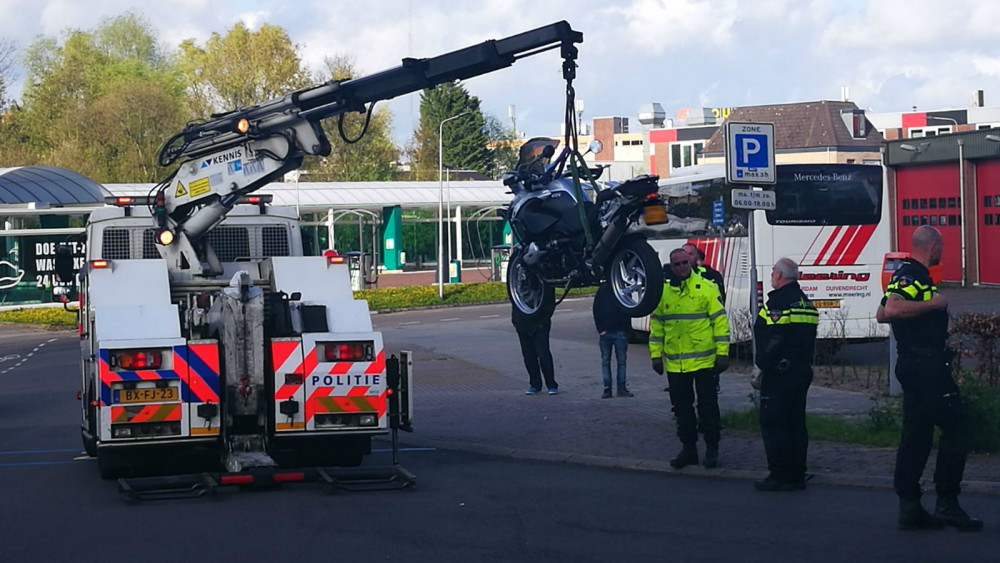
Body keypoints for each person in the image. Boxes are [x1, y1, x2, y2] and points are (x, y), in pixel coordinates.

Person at [876, 225, 982, 532]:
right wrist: (933, 304)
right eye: (943, 247)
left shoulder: (903, 274)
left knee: (917, 434)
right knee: (957, 427)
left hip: (913, 365)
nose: (943, 251)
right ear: (933, 248)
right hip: (927, 368)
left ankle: (910, 506)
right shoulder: (914, 275)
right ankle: (947, 503)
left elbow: (881, 314)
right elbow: (893, 309)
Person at [650, 248, 729, 469]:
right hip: (676, 364)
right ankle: (689, 449)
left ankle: (712, 449)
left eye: (685, 262)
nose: (682, 267)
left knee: (708, 408)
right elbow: (657, 326)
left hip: (704, 362)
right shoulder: (663, 292)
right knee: (682, 410)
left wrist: (722, 353)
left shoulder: (706, 287)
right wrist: (656, 356)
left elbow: (720, 323)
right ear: (671, 267)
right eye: (677, 264)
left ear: (691, 262)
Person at [752, 258, 818, 492]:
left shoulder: (778, 303)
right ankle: (796, 473)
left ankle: (779, 474)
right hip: (801, 371)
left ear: (780, 275)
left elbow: (775, 338)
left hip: (780, 373)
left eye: (772, 272)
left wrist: (762, 364)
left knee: (773, 423)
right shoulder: (806, 303)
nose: (771, 275)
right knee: (796, 423)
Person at [593, 280, 631, 399]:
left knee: (608, 362)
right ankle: (617, 388)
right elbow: (628, 309)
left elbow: (596, 310)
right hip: (614, 332)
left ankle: (610, 389)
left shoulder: (602, 291)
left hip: (612, 332)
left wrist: (600, 329)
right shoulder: (620, 290)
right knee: (618, 362)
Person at [512, 303, 558, 395]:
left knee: (543, 354)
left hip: (539, 324)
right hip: (522, 324)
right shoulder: (519, 289)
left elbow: (549, 303)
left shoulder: (542, 288)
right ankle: (535, 384)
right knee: (528, 356)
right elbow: (515, 303)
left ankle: (551, 385)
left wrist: (543, 321)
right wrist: (516, 322)